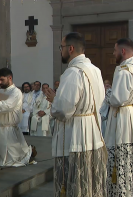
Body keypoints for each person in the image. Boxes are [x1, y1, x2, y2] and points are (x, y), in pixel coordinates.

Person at [45, 32, 107, 197]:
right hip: (92, 132)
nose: (61, 51)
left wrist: (54, 100)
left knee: (74, 184)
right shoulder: (95, 70)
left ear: (70, 49)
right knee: (90, 184)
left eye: (62, 47)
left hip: (75, 135)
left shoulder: (72, 73)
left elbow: (64, 110)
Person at [104, 38, 133, 196]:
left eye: (115, 50)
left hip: (123, 116)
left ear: (123, 51)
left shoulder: (124, 72)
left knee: (121, 157)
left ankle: (122, 192)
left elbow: (117, 99)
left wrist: (107, 91)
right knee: (132, 157)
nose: (113, 53)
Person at [0, 68, 36, 167]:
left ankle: (30, 152)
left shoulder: (16, 92)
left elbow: (6, 106)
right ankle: (28, 151)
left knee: (13, 157)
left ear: (10, 78)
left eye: (2, 80)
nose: (0, 82)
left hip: (9, 129)